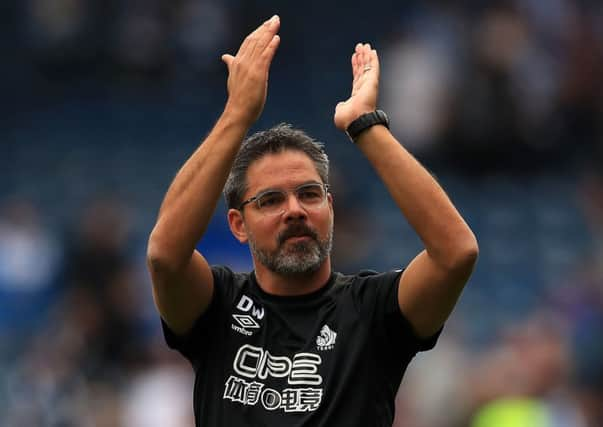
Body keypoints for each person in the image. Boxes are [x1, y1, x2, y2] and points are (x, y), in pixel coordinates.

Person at [147, 14, 478, 427]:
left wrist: (366, 126)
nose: (295, 210)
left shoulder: (371, 310)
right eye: (270, 200)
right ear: (238, 224)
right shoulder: (219, 306)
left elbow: (456, 253)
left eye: (309, 194)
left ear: (330, 207)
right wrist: (236, 115)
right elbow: (165, 256)